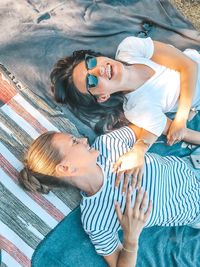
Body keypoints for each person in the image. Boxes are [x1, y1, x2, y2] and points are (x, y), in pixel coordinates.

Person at [19, 125, 200, 267]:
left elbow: (150, 124)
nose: (83, 139)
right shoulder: (95, 219)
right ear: (65, 168)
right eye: (74, 142)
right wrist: (131, 237)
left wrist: (139, 149)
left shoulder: (106, 144)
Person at [50, 36, 200, 190]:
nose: (98, 69)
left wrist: (182, 117)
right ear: (103, 96)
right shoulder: (136, 109)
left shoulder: (130, 48)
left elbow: (189, 66)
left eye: (91, 62)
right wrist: (140, 149)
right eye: (91, 81)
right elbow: (179, 132)